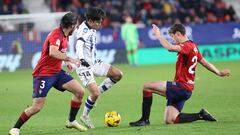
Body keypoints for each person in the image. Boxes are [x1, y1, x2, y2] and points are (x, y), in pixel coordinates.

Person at [129, 23, 231, 126]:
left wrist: (158, 35)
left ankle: (145, 120)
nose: (173, 40)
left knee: (147, 87)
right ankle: (200, 115)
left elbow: (170, 48)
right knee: (170, 120)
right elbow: (205, 62)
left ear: (178, 34)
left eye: (173, 37)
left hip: (181, 87)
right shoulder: (193, 46)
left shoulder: (187, 46)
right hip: (186, 89)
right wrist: (219, 72)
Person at [9, 12, 88, 135]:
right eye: (76, 25)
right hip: (44, 74)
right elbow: (52, 52)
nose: (77, 27)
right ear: (71, 25)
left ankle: (71, 121)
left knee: (80, 92)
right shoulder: (57, 34)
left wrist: (64, 61)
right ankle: (15, 128)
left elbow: (58, 52)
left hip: (57, 73)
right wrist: (69, 59)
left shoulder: (65, 35)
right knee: (36, 107)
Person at [72, 7, 123, 128]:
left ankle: (94, 96)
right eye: (98, 22)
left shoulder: (91, 27)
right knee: (94, 93)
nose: (100, 24)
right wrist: (82, 59)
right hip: (84, 66)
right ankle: (85, 115)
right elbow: (79, 45)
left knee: (118, 74)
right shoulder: (84, 30)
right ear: (90, 20)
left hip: (94, 63)